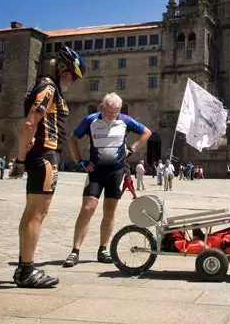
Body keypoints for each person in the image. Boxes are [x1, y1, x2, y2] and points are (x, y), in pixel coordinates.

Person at [9, 46, 86, 288]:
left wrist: (23, 157)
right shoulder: (49, 87)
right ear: (63, 68)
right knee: (37, 213)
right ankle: (28, 269)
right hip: (45, 156)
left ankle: (24, 266)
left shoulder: (42, 86)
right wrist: (20, 160)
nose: (72, 81)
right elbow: (30, 123)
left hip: (41, 155)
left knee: (31, 212)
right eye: (72, 75)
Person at [63, 93, 151, 268]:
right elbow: (73, 138)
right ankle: (75, 251)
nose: (112, 116)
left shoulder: (124, 120)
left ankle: (103, 249)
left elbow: (146, 132)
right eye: (109, 112)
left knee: (109, 212)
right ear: (102, 107)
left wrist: (132, 149)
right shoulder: (91, 120)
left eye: (115, 113)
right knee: (88, 208)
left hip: (116, 172)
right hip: (96, 171)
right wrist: (80, 161)